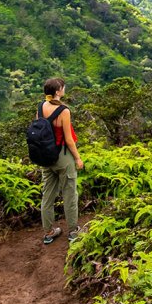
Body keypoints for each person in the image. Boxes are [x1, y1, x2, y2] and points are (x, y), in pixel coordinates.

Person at [39, 77, 83, 245]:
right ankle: (73, 231)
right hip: (62, 156)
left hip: (45, 156)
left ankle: (49, 232)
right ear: (58, 91)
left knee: (47, 196)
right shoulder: (64, 111)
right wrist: (78, 158)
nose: (64, 89)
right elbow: (68, 139)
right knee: (70, 193)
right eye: (63, 87)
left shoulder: (41, 107)